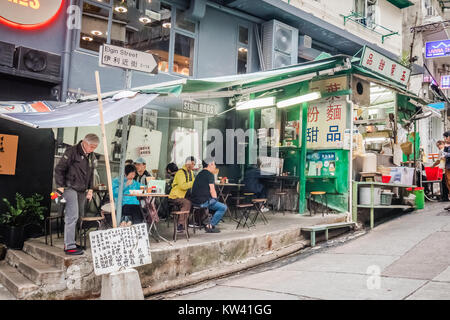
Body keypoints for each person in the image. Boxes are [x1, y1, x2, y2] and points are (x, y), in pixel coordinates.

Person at [54, 133, 99, 255]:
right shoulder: (72, 151)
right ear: (84, 142)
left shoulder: (91, 156)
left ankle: (72, 241)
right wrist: (60, 186)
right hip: (69, 188)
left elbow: (91, 174)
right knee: (72, 216)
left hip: (82, 190)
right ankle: (69, 246)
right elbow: (59, 169)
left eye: (95, 147)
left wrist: (90, 189)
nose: (93, 149)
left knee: (79, 216)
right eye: (92, 146)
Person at [190, 158, 227, 233]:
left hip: (194, 201)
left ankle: (208, 221)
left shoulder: (199, 174)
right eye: (214, 164)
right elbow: (212, 190)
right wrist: (215, 199)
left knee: (214, 202)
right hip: (202, 202)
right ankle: (210, 226)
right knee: (223, 207)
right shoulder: (209, 175)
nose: (215, 166)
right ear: (210, 165)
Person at [168, 157, 196, 232]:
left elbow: (193, 184)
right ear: (187, 163)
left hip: (185, 195)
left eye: (194, 164)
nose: (193, 165)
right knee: (186, 203)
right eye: (192, 163)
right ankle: (180, 224)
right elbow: (182, 186)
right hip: (175, 196)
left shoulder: (191, 173)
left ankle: (195, 221)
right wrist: (193, 183)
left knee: (198, 201)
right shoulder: (180, 172)